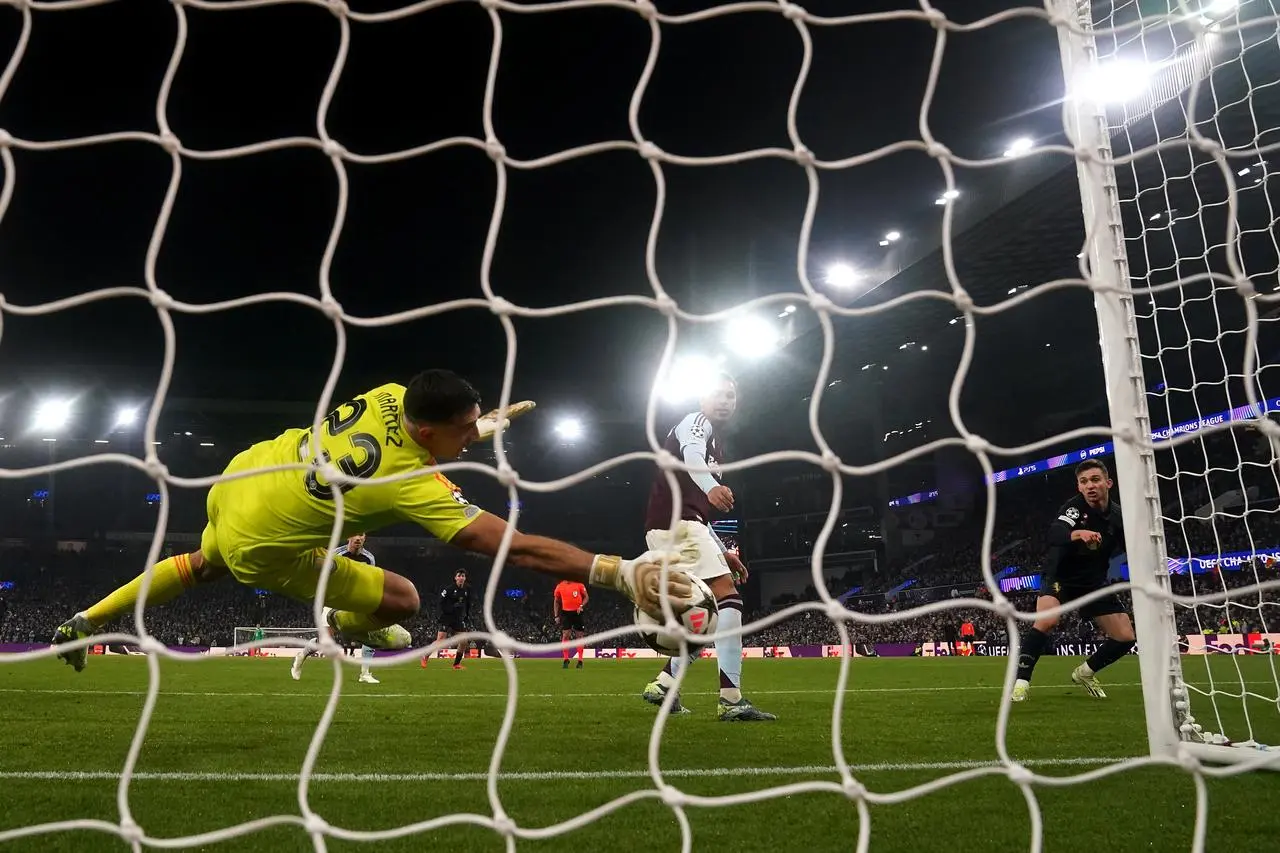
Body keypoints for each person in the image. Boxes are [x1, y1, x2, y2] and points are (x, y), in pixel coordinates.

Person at [52, 370, 700, 672]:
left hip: (246, 474)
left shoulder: (392, 393)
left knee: (197, 561)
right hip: (267, 543)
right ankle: (338, 628)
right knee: (403, 600)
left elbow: (418, 430)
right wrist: (615, 569)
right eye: (465, 431)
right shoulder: (413, 481)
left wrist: (484, 422)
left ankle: (89, 619)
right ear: (425, 432)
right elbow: (511, 546)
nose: (473, 437)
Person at [639, 373, 775, 721]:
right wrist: (711, 485)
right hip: (676, 526)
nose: (725, 401)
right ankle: (731, 699)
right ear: (701, 398)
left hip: (675, 528)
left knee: (704, 618)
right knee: (727, 598)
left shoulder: (716, 443)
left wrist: (724, 551)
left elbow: (698, 513)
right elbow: (691, 458)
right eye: (718, 394)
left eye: (731, 396)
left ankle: (665, 685)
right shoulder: (695, 423)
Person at [1011, 459, 1134, 702]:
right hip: (1061, 576)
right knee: (1047, 619)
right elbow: (1055, 533)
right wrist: (1079, 533)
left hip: (1092, 583)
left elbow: (1130, 546)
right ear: (1078, 487)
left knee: (1125, 637)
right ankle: (1021, 681)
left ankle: (1085, 673)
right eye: (1084, 481)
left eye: (1095, 480)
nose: (1090, 486)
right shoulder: (1074, 509)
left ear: (1108, 483)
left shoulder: (1119, 517)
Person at [291, 534, 380, 683]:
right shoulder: (335, 554)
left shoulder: (369, 559)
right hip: (334, 599)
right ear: (349, 537)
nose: (358, 538)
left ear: (365, 538)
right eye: (355, 534)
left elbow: (370, 581)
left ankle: (365, 674)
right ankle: (301, 656)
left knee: (369, 635)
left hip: (355, 600)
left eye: (361, 535)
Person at [422, 570, 472, 669]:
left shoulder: (466, 590)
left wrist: (466, 615)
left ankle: (456, 664)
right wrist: (449, 609)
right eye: (459, 576)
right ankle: (425, 656)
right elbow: (440, 602)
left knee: (463, 641)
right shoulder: (449, 589)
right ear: (455, 578)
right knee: (440, 640)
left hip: (457, 618)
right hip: (446, 617)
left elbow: (468, 603)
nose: (461, 578)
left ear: (465, 578)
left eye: (463, 576)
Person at [553, 577, 589, 669]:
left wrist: (581, 606)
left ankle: (580, 661)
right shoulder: (560, 586)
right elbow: (556, 601)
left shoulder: (579, 584)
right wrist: (556, 615)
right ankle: (566, 659)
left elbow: (586, 597)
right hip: (566, 613)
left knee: (579, 636)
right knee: (566, 635)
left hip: (577, 612)